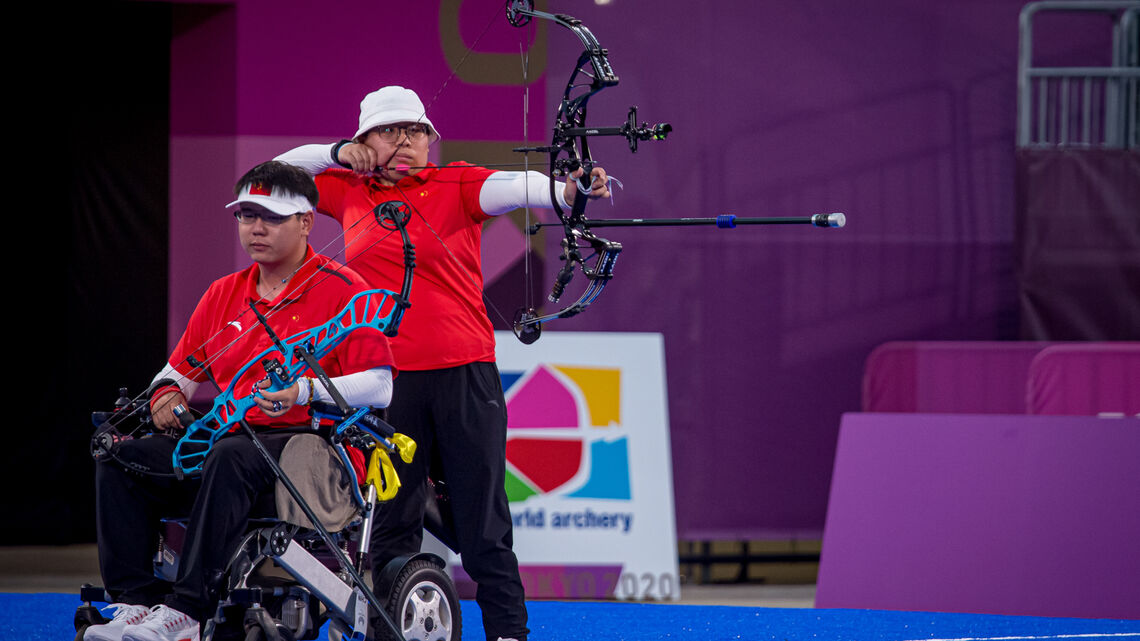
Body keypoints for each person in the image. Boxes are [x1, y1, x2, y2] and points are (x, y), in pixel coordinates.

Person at [274, 85, 612, 641]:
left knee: (482, 523)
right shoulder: (347, 191)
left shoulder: (456, 183)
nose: (405, 141)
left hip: (463, 375)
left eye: (415, 131)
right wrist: (336, 156)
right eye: (389, 132)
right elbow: (271, 175)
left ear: (432, 140)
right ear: (364, 143)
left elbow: (519, 187)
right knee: (393, 523)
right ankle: (392, 631)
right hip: (387, 384)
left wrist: (569, 190)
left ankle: (508, 633)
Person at [85, 161, 397, 641]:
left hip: (311, 454)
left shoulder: (343, 288)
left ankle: (186, 613)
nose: (256, 227)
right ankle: (136, 603)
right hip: (227, 448)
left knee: (230, 456)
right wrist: (166, 395)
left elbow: (381, 386)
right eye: (247, 215)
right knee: (120, 455)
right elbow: (175, 374)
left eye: (271, 217)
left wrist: (301, 391)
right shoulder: (222, 293)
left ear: (306, 222)